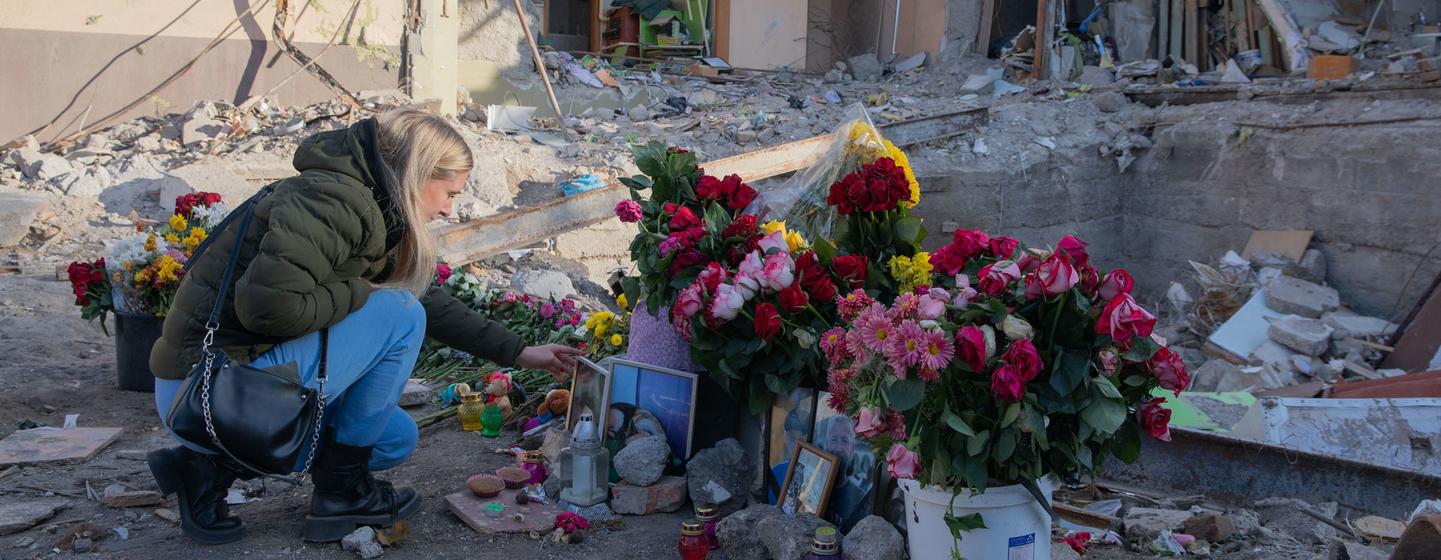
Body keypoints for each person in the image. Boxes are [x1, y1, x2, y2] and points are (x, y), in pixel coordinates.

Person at [145, 108, 582, 545]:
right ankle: (339, 495)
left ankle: (205, 469)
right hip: (203, 389)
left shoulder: (373, 202)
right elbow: (268, 309)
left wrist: (521, 353)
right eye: (449, 192)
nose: (450, 209)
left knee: (393, 438)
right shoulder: (335, 203)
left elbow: (427, 296)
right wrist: (359, 291)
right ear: (416, 174)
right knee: (400, 314)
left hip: (229, 388)